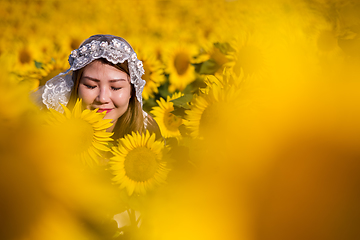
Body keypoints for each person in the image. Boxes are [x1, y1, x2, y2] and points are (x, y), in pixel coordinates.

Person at [34, 34, 161, 141]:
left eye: (116, 87)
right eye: (91, 86)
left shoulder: (148, 132)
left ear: (132, 92)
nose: (102, 98)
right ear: (75, 86)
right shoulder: (50, 131)